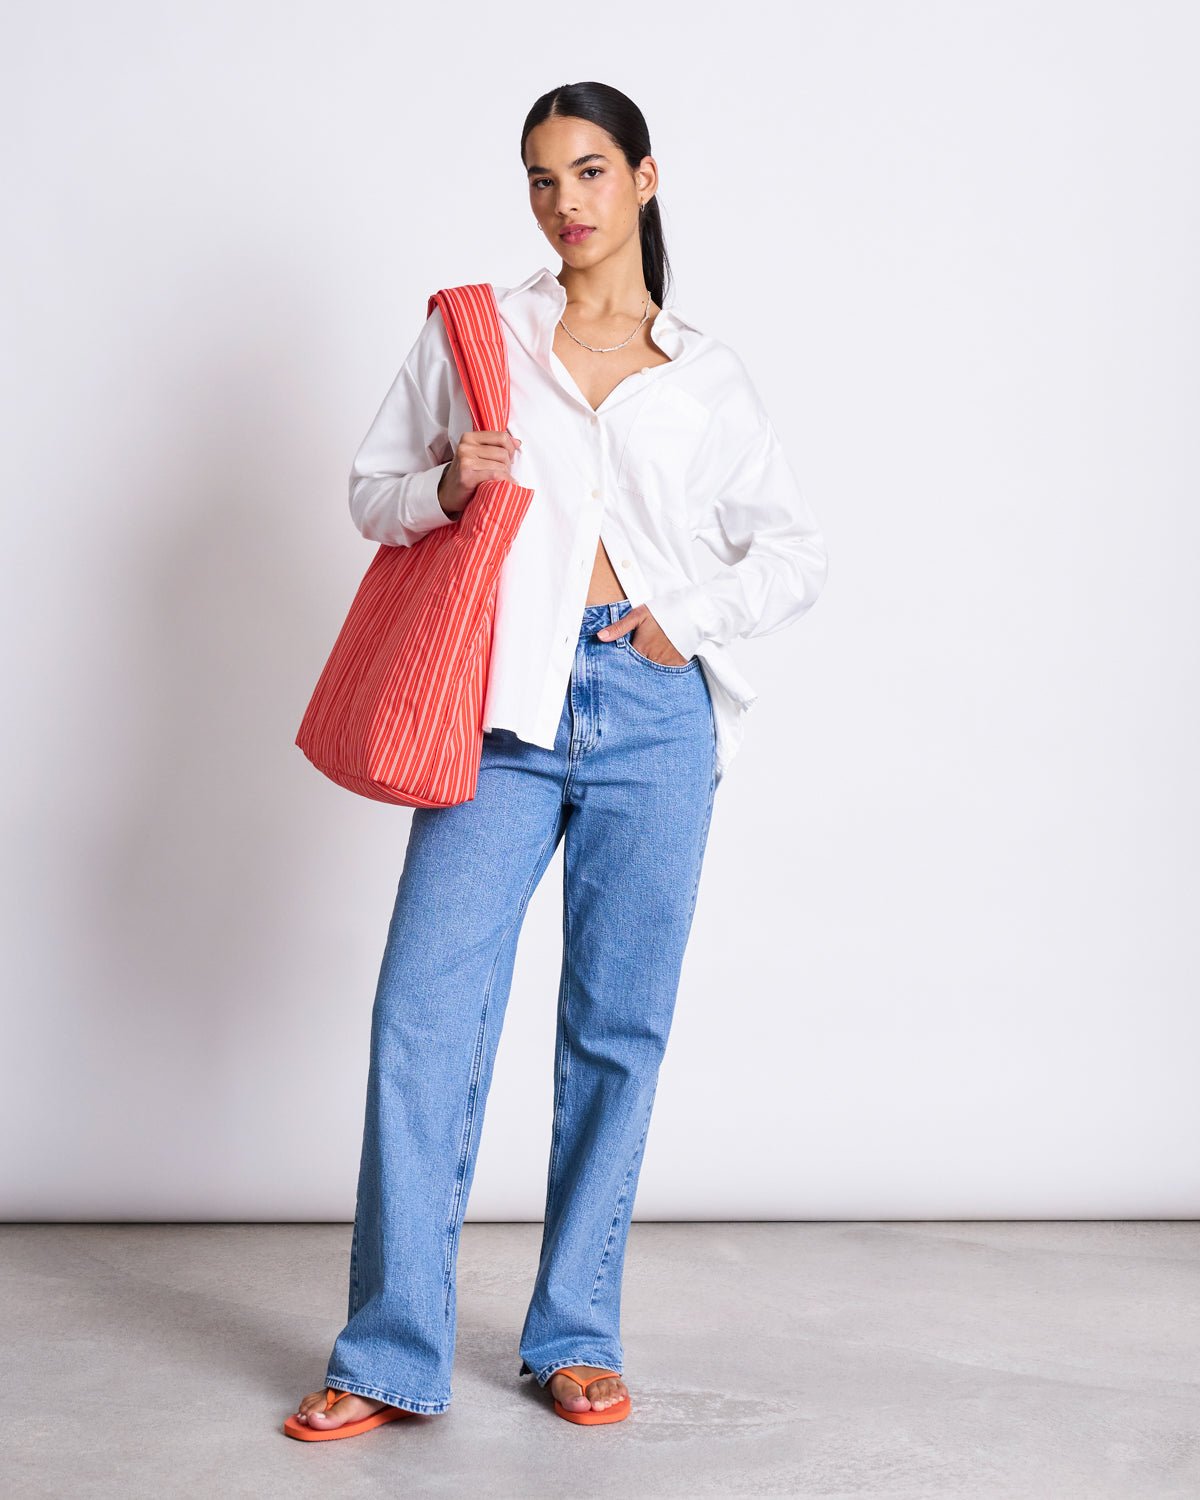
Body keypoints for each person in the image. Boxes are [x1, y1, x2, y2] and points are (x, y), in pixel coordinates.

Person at [286, 80, 828, 1439]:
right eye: (540, 177)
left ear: (645, 179)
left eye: (588, 171)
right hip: (502, 713)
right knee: (424, 1017)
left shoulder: (705, 372)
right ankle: (387, 1351)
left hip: (654, 711)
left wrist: (681, 622)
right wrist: (448, 488)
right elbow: (372, 492)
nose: (564, 201)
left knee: (615, 1032)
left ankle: (574, 1333)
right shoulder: (479, 335)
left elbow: (795, 550)